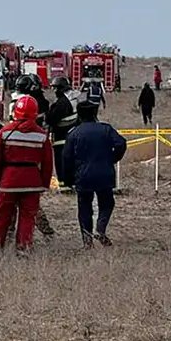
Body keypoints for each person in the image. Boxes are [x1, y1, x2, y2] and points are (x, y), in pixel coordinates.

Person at [0, 95, 54, 254]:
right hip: (32, 181)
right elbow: (47, 163)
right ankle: (23, 248)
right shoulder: (42, 135)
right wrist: (43, 184)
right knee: (28, 216)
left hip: (8, 180)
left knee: (2, 215)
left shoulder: (4, 132)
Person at [62, 100, 127, 248]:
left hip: (83, 176)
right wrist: (112, 159)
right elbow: (121, 143)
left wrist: (67, 179)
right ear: (95, 113)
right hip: (105, 173)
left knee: (84, 207)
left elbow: (66, 158)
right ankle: (101, 228)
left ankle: (87, 241)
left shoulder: (74, 134)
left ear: (78, 114)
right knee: (107, 203)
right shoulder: (106, 129)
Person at [46, 76, 78, 190]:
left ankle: (65, 185)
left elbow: (51, 118)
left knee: (61, 162)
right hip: (71, 135)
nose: (54, 91)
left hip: (61, 137)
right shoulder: (72, 99)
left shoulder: (62, 103)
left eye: (55, 88)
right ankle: (71, 183)